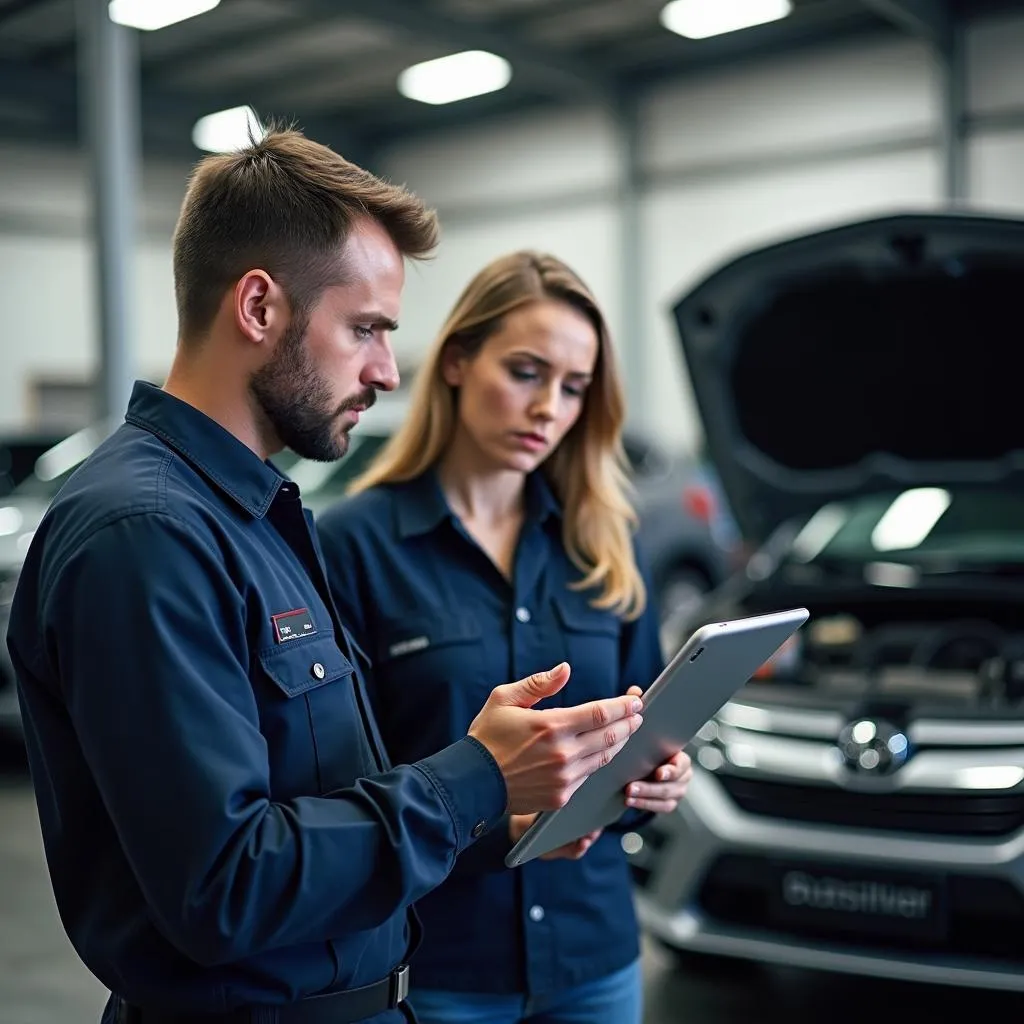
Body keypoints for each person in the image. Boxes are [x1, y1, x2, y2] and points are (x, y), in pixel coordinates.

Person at [4, 131, 650, 1024]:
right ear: (260, 306)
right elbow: (228, 886)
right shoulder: (146, 533)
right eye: (367, 329)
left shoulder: (258, 519)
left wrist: (500, 812)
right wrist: (472, 777)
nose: (387, 371)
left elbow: (328, 812)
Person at [316, 251, 694, 1024]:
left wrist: (654, 783)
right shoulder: (352, 543)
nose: (550, 407)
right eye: (526, 371)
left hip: (596, 962)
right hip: (439, 966)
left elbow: (641, 719)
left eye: (575, 387)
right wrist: (497, 824)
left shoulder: (605, 543)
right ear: (456, 361)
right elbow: (337, 786)